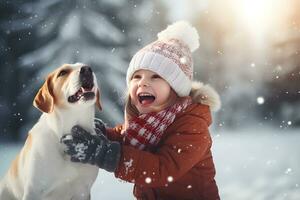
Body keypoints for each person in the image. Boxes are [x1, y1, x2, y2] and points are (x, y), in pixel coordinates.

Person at [61, 21, 221, 200]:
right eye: (137, 76)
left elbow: (161, 169)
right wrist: (101, 134)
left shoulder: (192, 125)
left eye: (155, 77)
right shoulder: (143, 123)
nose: (143, 82)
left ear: (176, 89)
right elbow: (123, 137)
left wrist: (106, 154)